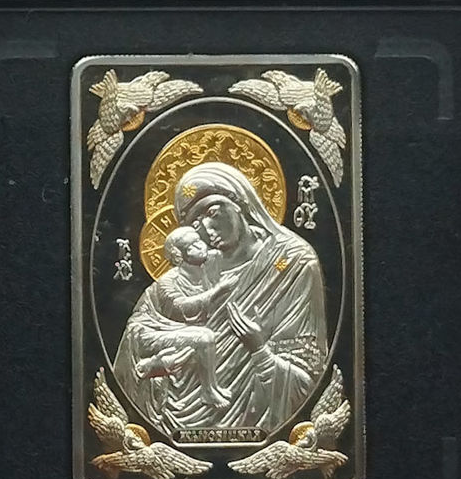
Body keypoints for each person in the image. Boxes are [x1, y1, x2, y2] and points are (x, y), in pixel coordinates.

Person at [114, 162, 328, 432]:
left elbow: (308, 380)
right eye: (195, 224)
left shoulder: (292, 263)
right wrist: (161, 359)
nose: (205, 229)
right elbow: (140, 327)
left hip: (260, 418)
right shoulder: (196, 268)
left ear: (240, 202)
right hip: (173, 417)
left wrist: (259, 350)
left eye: (212, 212)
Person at [127, 225, 235, 418]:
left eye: (199, 240)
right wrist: (217, 291)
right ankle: (208, 391)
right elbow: (182, 308)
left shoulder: (205, 269)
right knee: (205, 337)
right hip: (152, 331)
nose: (200, 246)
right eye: (192, 246)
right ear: (179, 256)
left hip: (179, 329)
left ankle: (214, 388)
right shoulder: (167, 282)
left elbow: (229, 251)